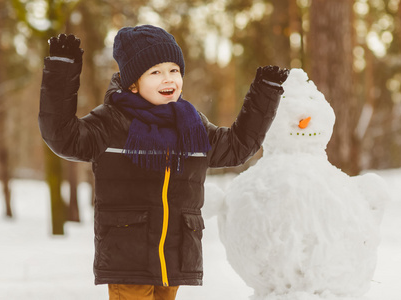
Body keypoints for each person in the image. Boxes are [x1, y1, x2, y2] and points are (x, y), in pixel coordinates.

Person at [39, 25, 289, 300]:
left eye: (174, 70)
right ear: (133, 83)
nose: (168, 79)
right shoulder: (110, 123)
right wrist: (62, 69)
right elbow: (62, 136)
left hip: (175, 252)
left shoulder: (191, 124)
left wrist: (266, 92)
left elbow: (237, 148)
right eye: (155, 72)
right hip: (128, 256)